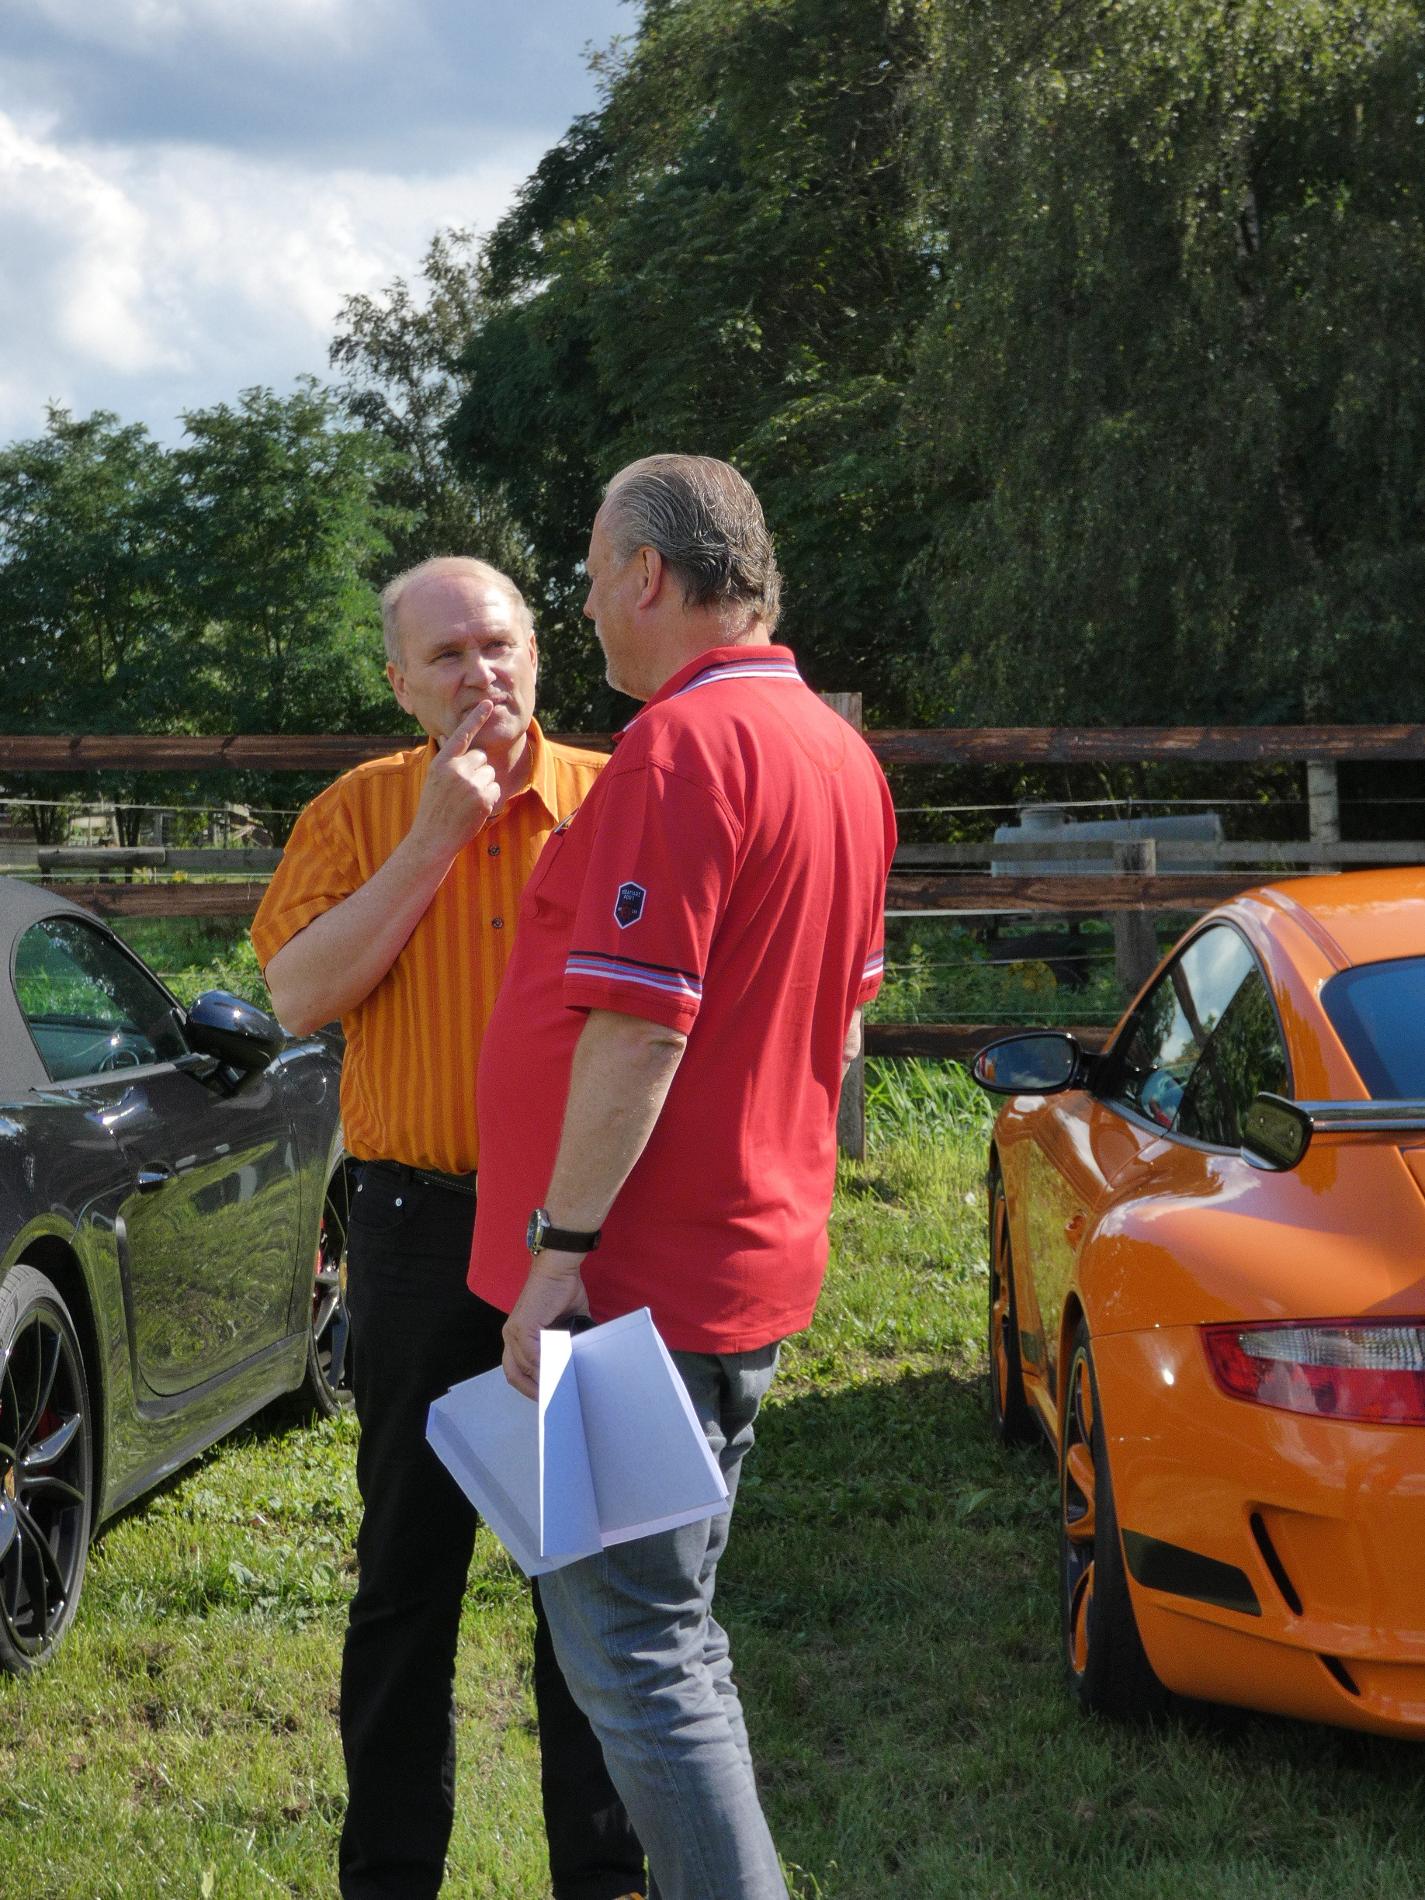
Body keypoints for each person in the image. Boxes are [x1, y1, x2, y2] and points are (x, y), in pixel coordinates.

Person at [468, 458, 896, 1900]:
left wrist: (556, 1256)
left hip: (631, 1289)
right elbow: (844, 1027)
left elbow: (641, 1028)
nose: (585, 606)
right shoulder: (836, 754)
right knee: (672, 1636)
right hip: (731, 1265)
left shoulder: (679, 750)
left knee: (643, 1663)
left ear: (649, 575)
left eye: (595, 574)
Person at [250, 556, 644, 1900]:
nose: (481, 675)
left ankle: (602, 1875)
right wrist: (431, 837)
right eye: (447, 658)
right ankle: (390, 1874)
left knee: (584, 1576)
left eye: (500, 645)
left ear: (539, 654)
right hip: (417, 1232)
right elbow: (297, 996)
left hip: (579, 1237)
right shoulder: (358, 811)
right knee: (406, 1576)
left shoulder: (617, 798)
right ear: (400, 685)